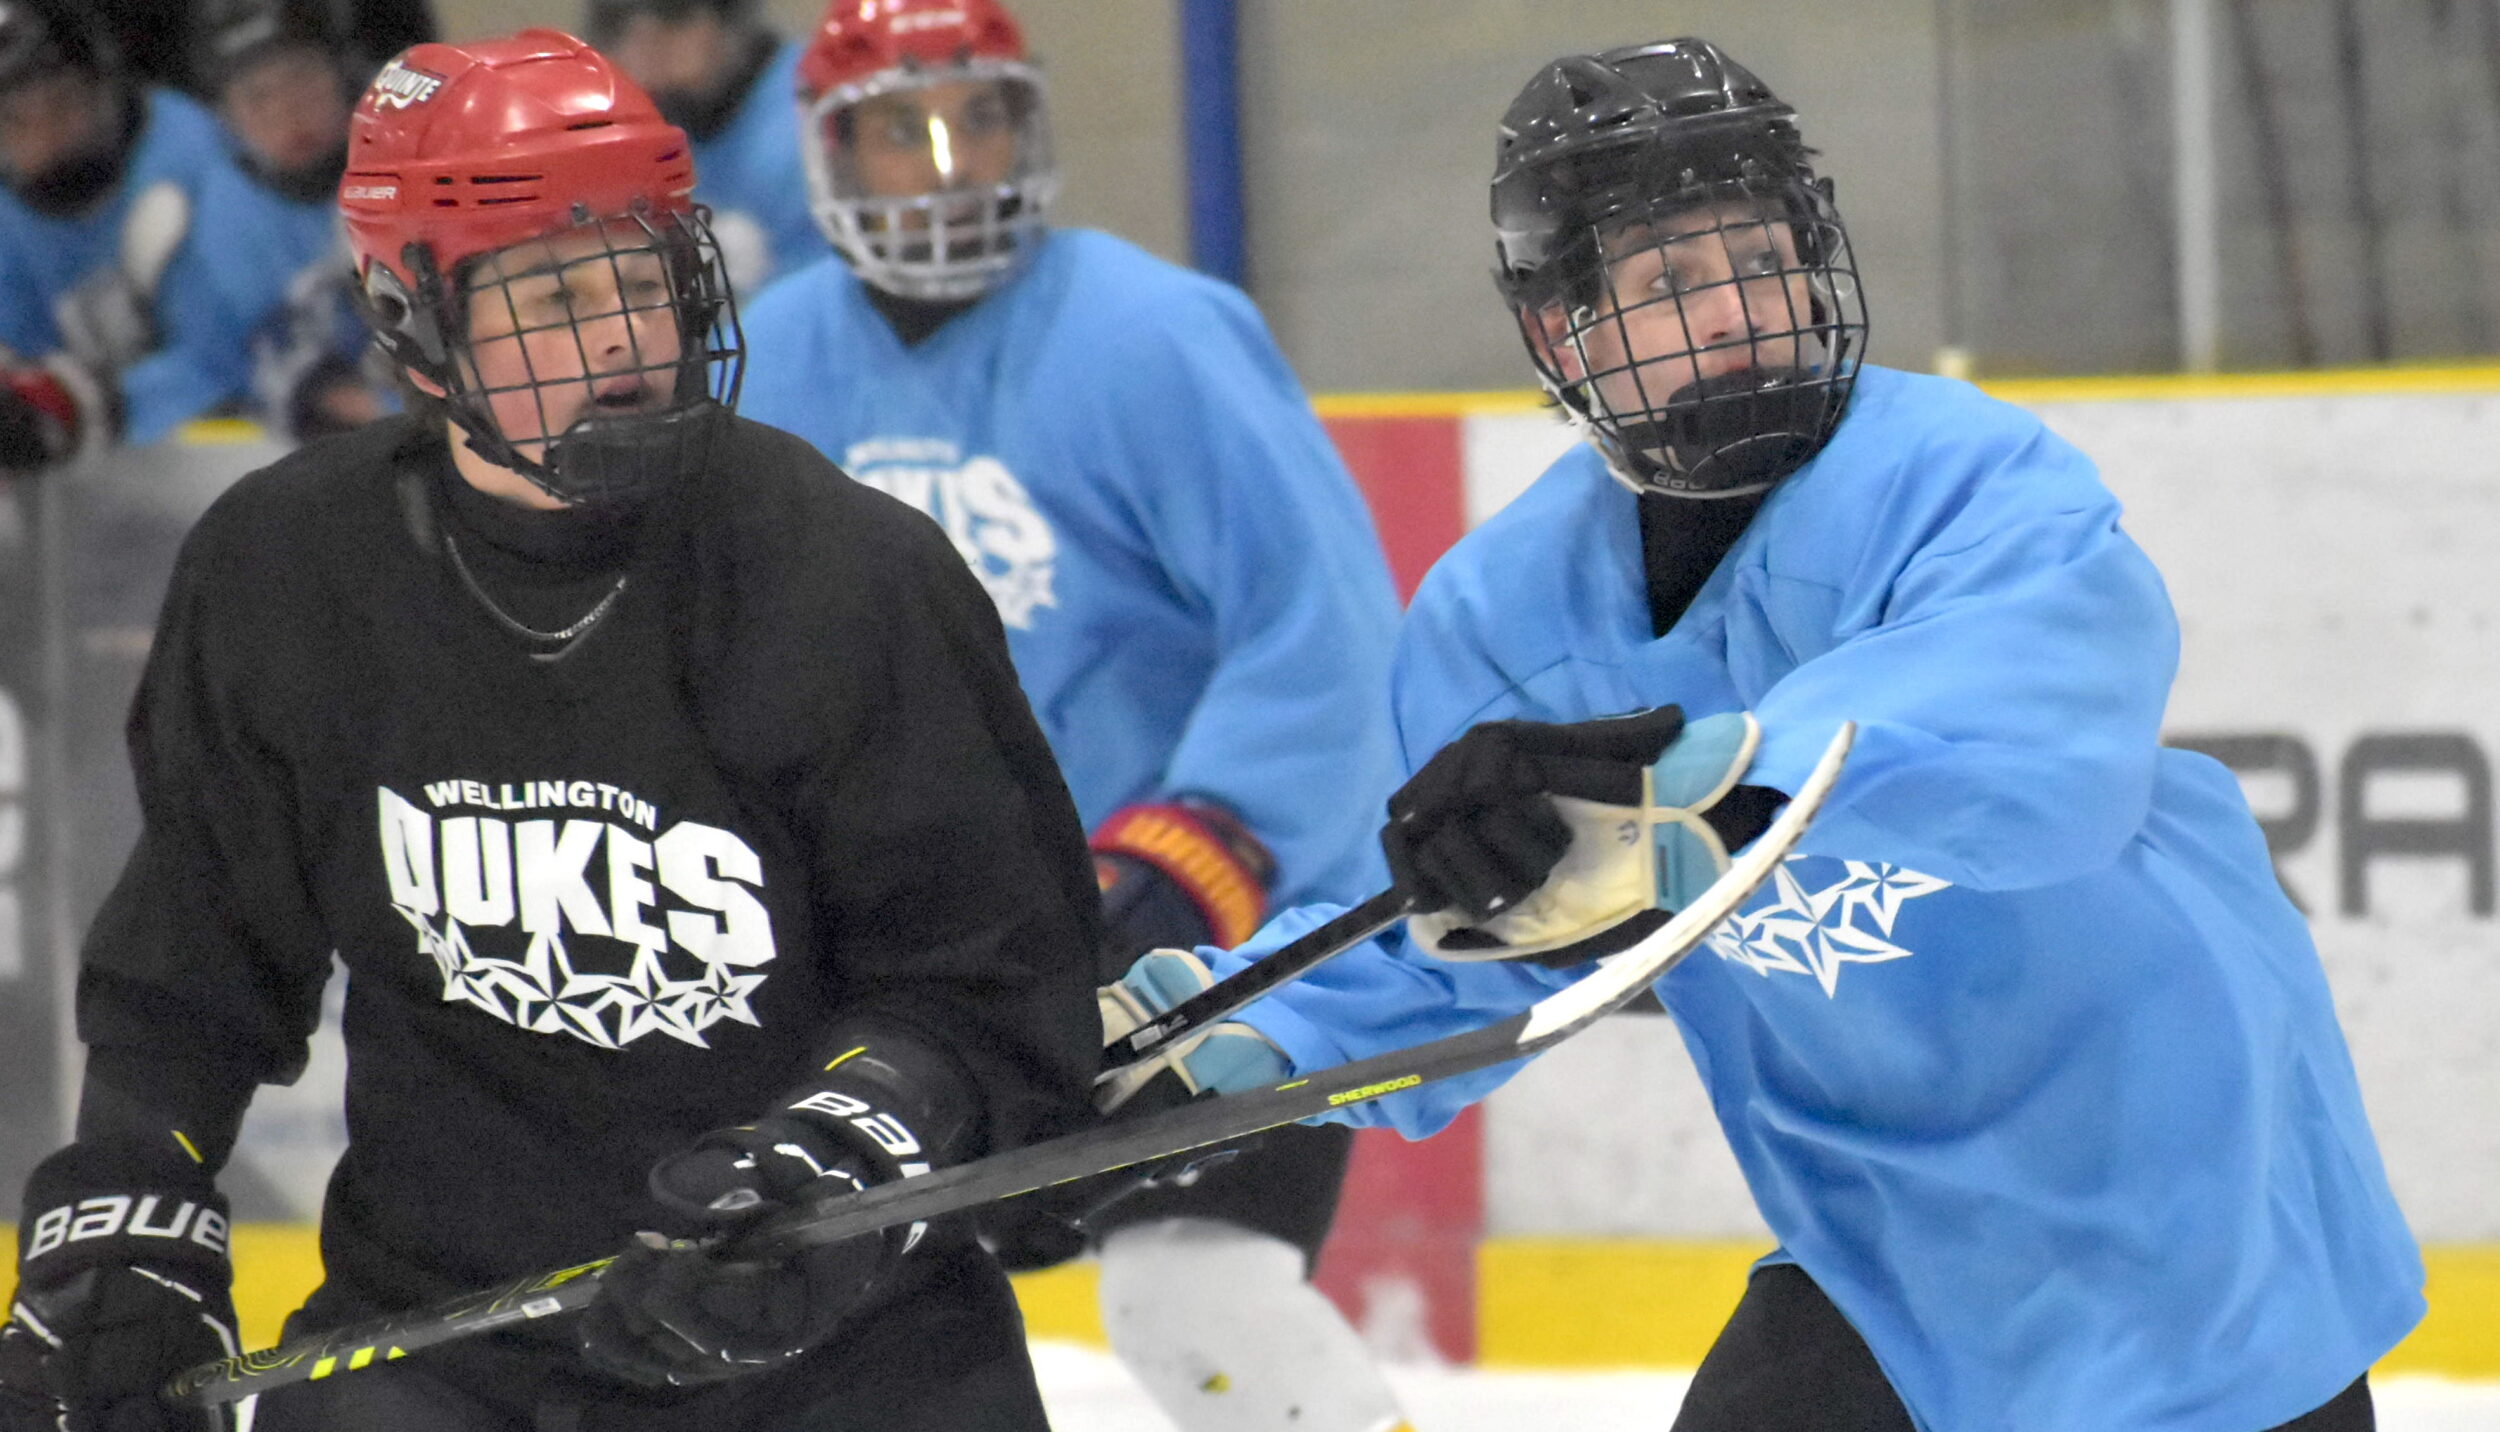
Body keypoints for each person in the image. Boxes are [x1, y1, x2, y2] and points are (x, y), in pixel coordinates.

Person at [1124, 37, 2426, 1432]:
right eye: (1670, 282)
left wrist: (1693, 790)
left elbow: (2027, 737)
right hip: (1881, 1247)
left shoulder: (1966, 476)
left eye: (1761, 257)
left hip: (2192, 1217)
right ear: (1565, 335)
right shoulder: (1502, 614)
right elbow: (1469, 944)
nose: (1739, 311)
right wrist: (1227, 1034)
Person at [2, 28, 1098, 1432]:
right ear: (411, 318)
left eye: (643, 279)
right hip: (447, 1334)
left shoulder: (846, 575)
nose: (625, 340)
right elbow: (196, 960)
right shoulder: (289, 570)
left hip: (841, 1348)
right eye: (553, 296)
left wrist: (838, 1164)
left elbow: (990, 983)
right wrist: (131, 1196)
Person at [735, 3, 1414, 1430]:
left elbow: (1327, 636)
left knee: (1195, 1296)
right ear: (828, 151)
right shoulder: (766, 363)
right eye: (901, 130)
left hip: (1195, 945)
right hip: (924, 968)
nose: (948, 164)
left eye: (978, 118)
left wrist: (1189, 863)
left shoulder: (1159, 336)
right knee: (810, 1326)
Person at [114, 0, 394, 449]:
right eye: (257, 97)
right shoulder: (208, 225)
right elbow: (211, 369)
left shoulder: (413, 148)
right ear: (225, 116)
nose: (288, 111)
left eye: (302, 79)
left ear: (343, 74)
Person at [0, 0, 233, 473]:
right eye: (14, 118)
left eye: (59, 102)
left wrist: (83, 406)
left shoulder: (191, 156)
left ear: (103, 87)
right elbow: (21, 355)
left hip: (241, 437)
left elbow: (236, 353)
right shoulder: (10, 215)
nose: (42, 134)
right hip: (102, 472)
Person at [586, 0, 817, 294]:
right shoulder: (637, 127)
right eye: (618, 22)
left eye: (673, 13)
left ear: (727, 15)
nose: (646, 37)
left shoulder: (810, 104)